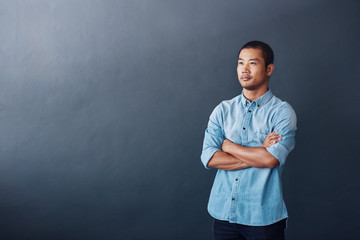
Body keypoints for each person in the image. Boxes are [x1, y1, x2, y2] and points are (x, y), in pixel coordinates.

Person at [200, 40, 297, 240]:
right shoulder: (223, 110)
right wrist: (258, 152)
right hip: (223, 214)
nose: (244, 69)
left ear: (269, 69)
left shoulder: (282, 112)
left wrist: (228, 145)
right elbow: (209, 158)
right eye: (240, 63)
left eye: (252, 63)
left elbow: (270, 160)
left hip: (263, 217)